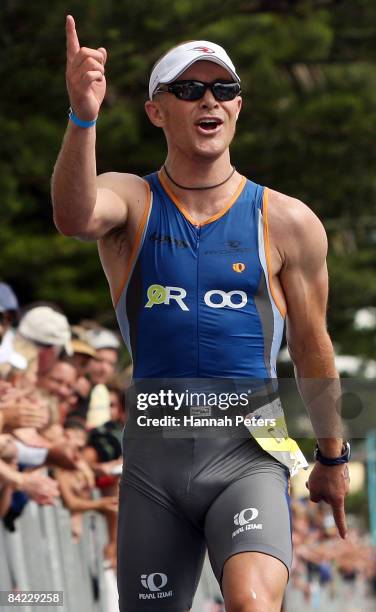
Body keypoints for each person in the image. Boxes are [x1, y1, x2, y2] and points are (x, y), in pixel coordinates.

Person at [52, 15, 350, 612]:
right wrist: (84, 116)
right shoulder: (133, 201)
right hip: (154, 458)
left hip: (249, 450)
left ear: (239, 107)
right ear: (156, 110)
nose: (208, 100)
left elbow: (314, 345)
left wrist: (333, 454)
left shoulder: (288, 221)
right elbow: (74, 216)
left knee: (251, 604)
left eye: (223, 89)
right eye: (188, 90)